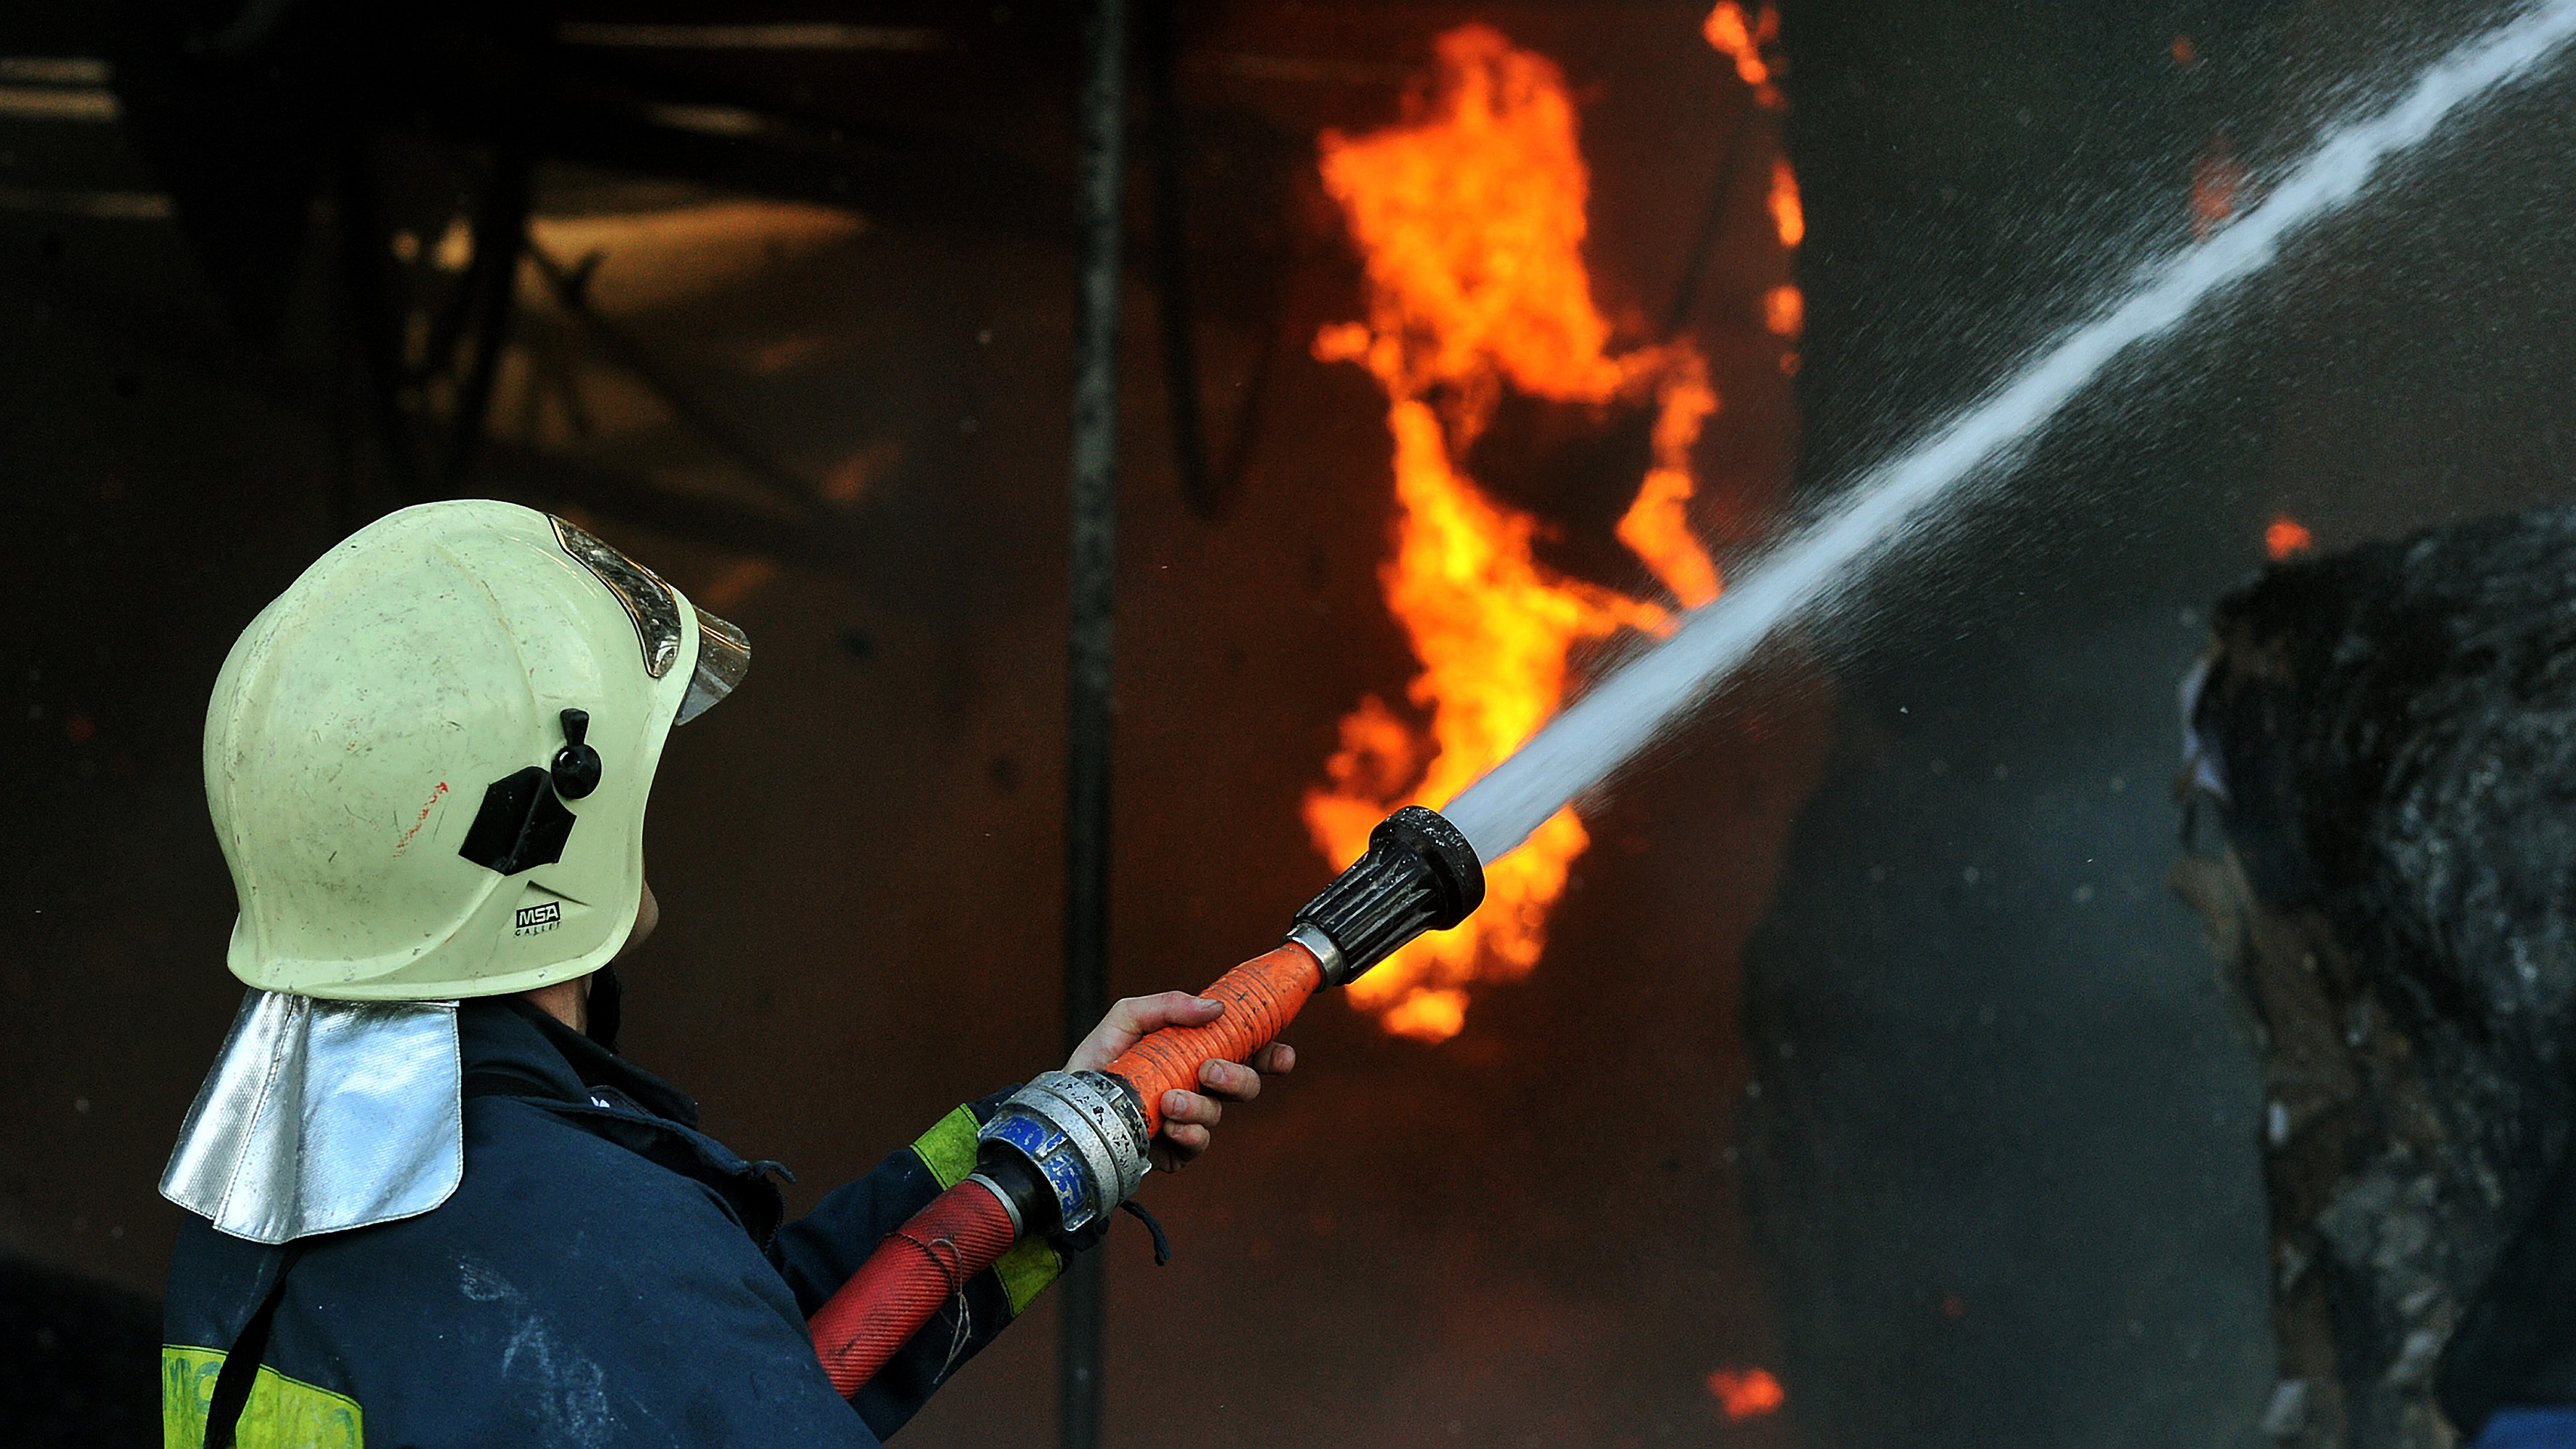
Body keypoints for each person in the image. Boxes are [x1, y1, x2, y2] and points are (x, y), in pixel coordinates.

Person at [159, 500, 1289, 1447]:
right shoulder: (601, 1251)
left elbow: (724, 1360)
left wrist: (1038, 1146)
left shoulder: (267, 1188)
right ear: (550, 817)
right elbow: (664, 1340)